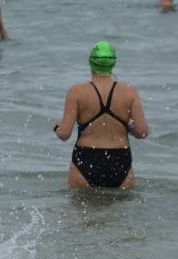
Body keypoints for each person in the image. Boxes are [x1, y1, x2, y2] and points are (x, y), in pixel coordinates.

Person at [53, 41, 149, 190]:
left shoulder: (76, 92)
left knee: (80, 210)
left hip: (85, 159)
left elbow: (64, 134)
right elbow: (142, 133)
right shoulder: (130, 91)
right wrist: (129, 127)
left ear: (90, 62)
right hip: (120, 160)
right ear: (113, 63)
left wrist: (57, 126)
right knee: (120, 212)